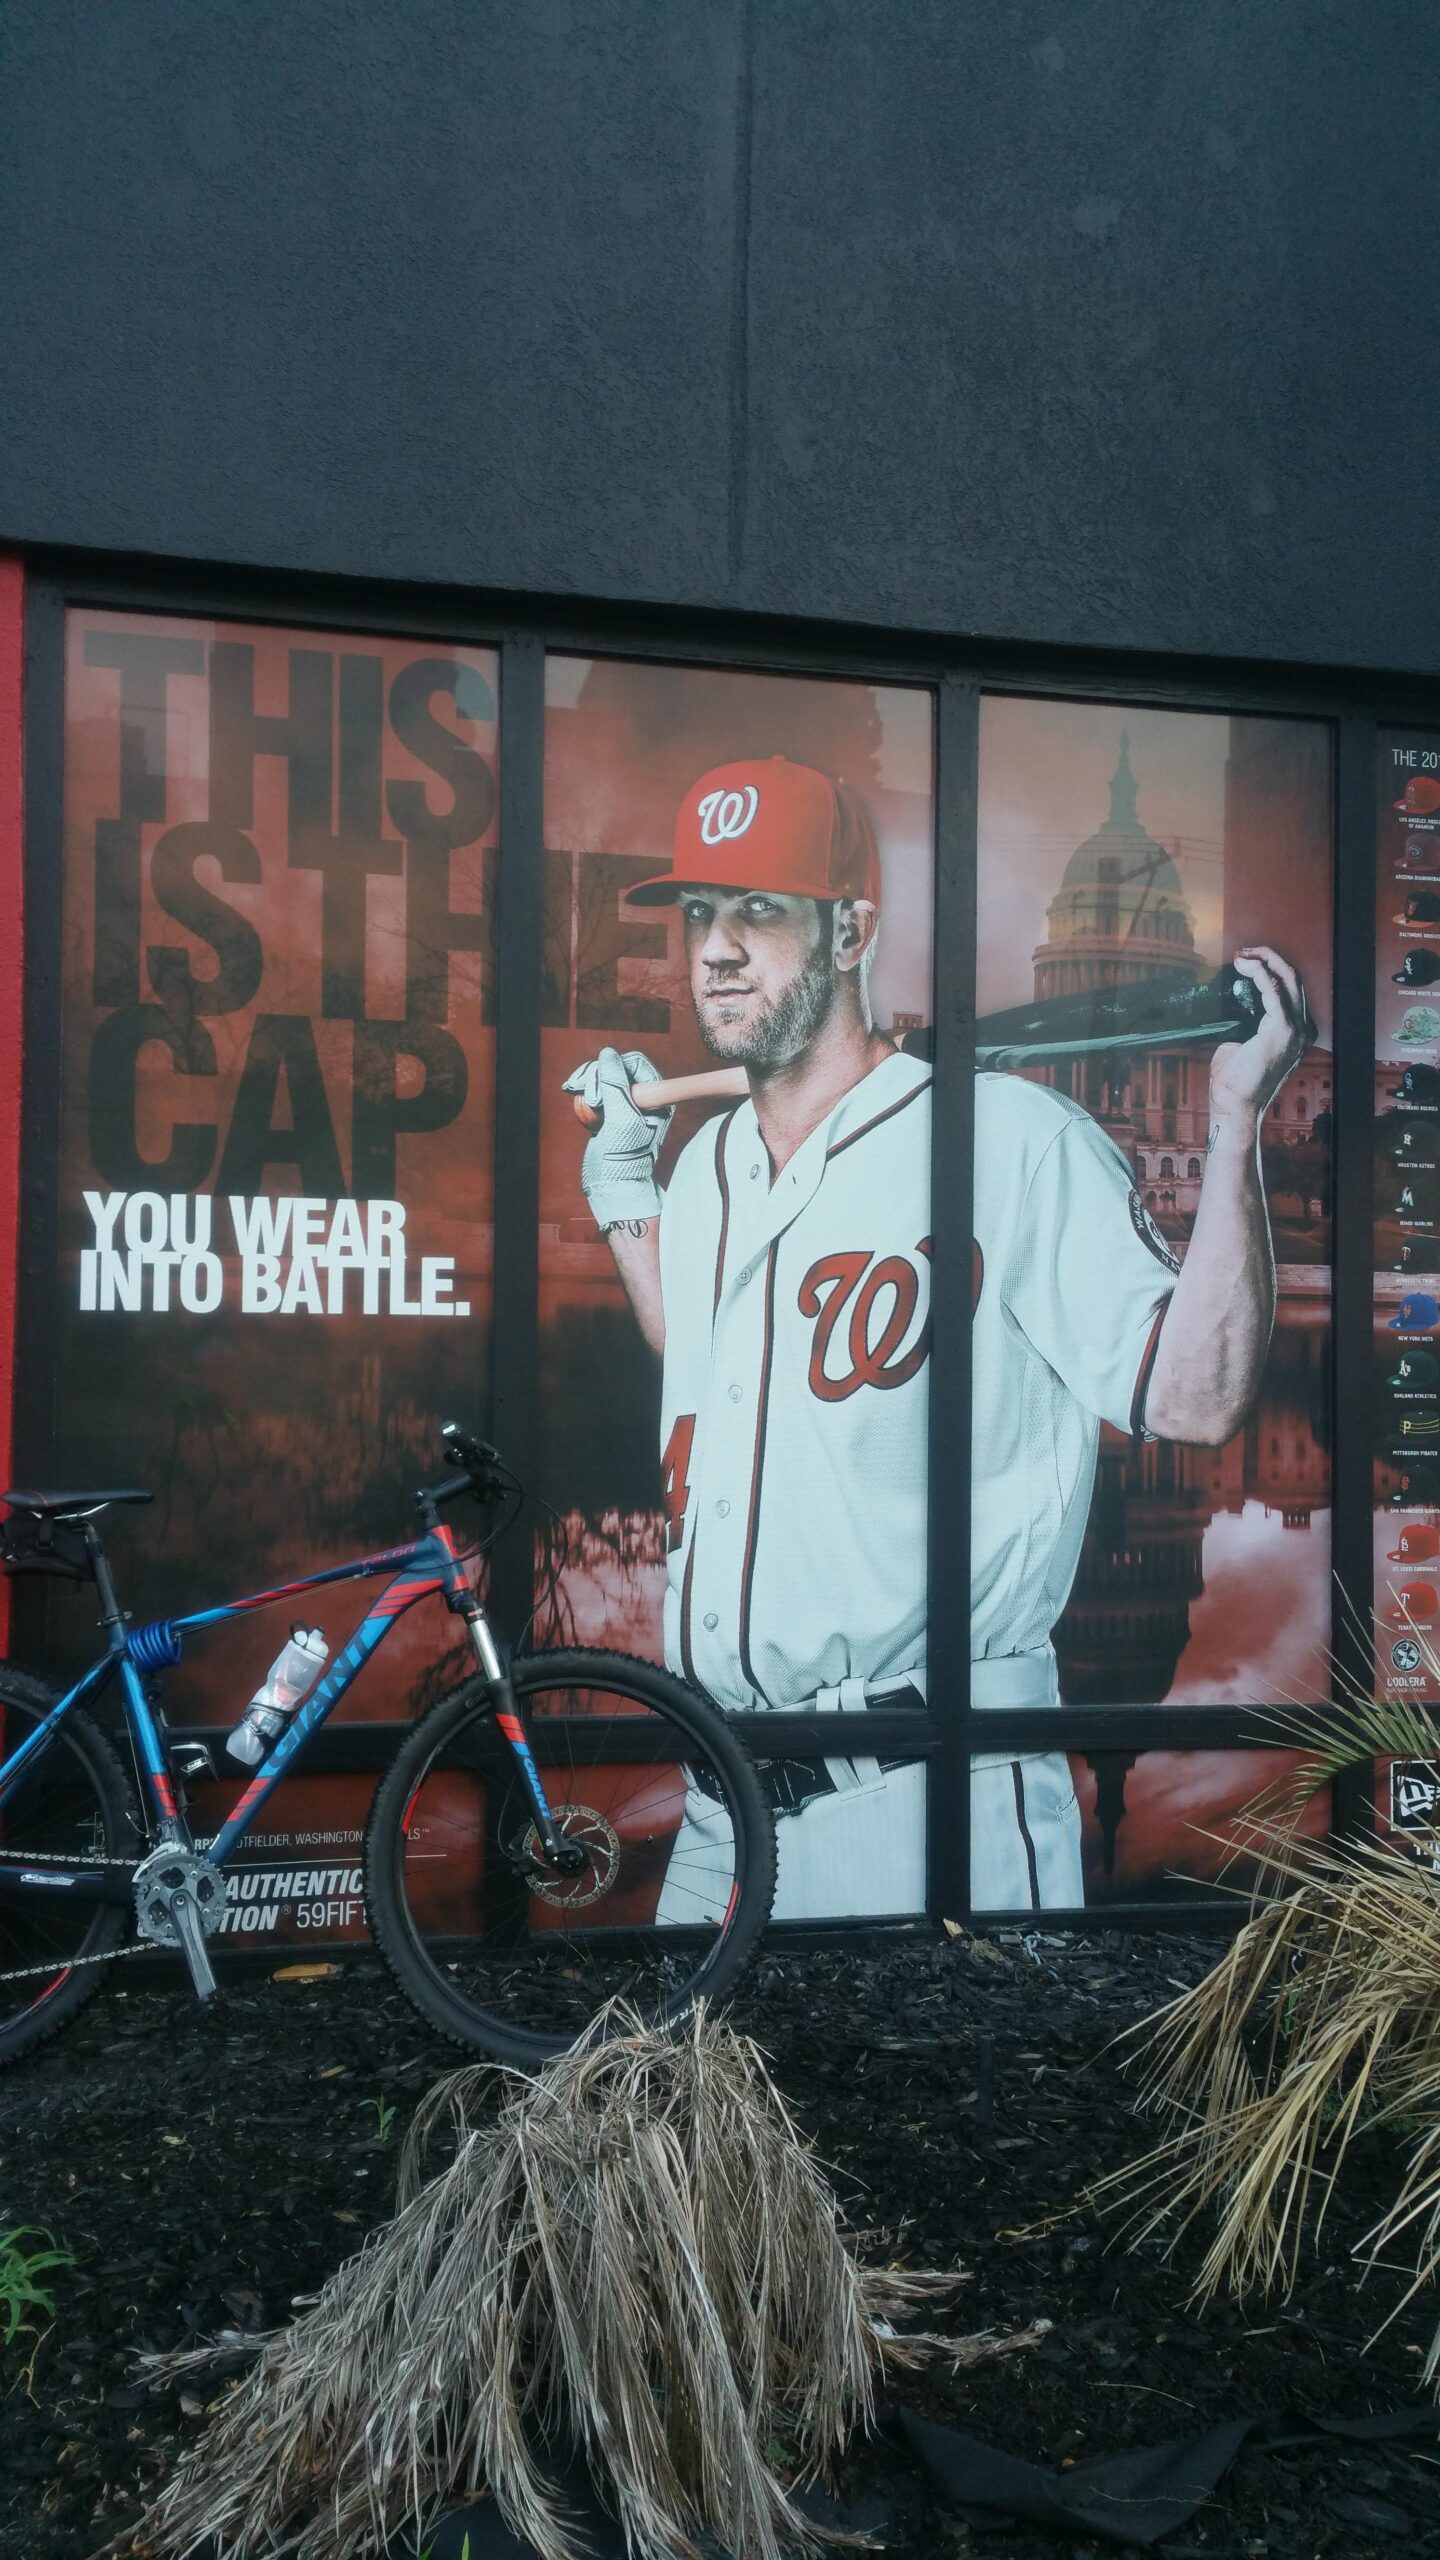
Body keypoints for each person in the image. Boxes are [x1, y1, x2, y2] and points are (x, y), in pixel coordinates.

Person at [562, 755, 1309, 1915]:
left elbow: (1195, 1398)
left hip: (924, 1795)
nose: (717, 948)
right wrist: (624, 1189)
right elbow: (710, 1363)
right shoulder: (705, 1163)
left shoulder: (1012, 1140)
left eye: (759, 910)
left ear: (852, 932)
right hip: (721, 1808)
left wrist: (1234, 1123)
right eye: (700, 912)